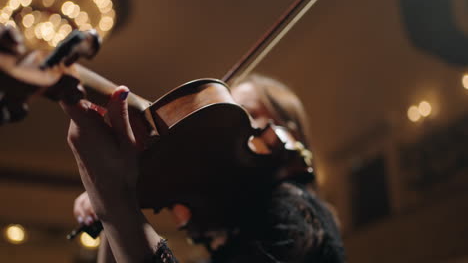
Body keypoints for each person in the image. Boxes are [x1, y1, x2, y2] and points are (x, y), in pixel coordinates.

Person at [65, 74, 345, 263]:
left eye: (249, 114)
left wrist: (115, 197)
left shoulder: (296, 209)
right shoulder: (239, 230)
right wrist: (111, 206)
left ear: (288, 134)